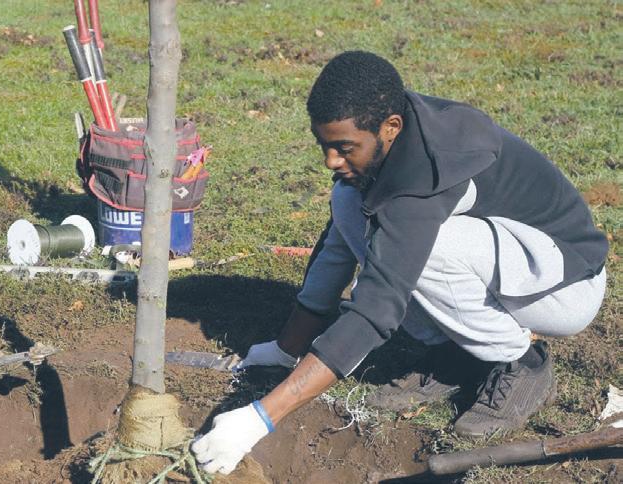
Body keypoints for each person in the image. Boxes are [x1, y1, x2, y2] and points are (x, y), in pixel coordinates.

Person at [192, 51, 608, 475]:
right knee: (348, 200)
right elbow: (338, 247)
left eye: (344, 148)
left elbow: (376, 309)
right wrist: (287, 350)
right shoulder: (384, 137)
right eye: (325, 145)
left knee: (429, 250)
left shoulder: (425, 173)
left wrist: (260, 418)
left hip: (566, 283)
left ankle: (522, 363)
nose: (330, 161)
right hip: (504, 258)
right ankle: (454, 353)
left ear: (390, 127)